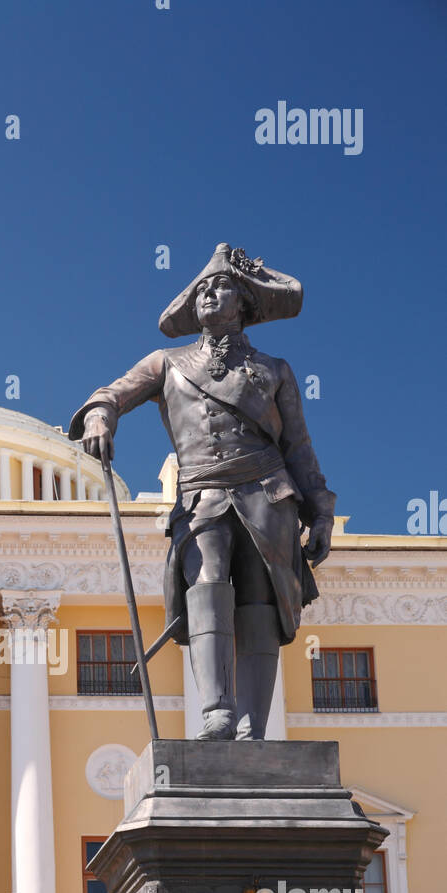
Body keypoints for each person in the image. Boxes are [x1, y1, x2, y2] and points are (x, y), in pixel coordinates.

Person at [69, 243, 336, 740]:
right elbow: (111, 392)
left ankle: (255, 725)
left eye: (222, 287)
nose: (210, 295)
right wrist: (101, 414)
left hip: (269, 494)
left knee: (259, 602)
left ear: (245, 305)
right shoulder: (167, 363)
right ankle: (216, 711)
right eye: (203, 290)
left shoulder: (275, 370)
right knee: (207, 585)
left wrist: (320, 512)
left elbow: (299, 448)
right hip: (201, 495)